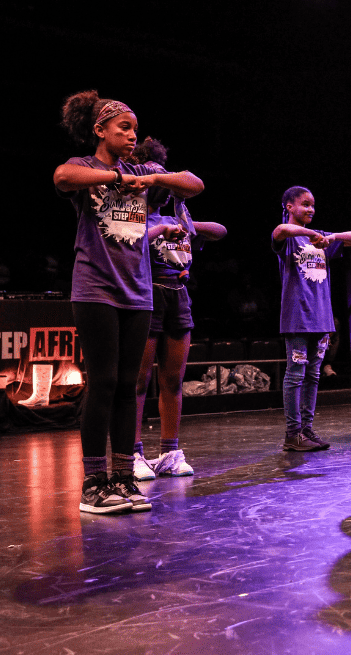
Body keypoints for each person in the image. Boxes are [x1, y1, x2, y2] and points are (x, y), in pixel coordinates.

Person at [54, 90, 204, 513]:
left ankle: (122, 478)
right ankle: (93, 483)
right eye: (124, 127)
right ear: (100, 130)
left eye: (135, 129)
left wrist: (153, 180)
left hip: (138, 293)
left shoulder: (143, 171)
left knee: (125, 385)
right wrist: (117, 179)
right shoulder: (86, 167)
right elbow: (62, 177)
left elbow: (194, 183)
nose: (132, 135)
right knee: (102, 383)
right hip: (96, 289)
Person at [129, 137, 227, 481]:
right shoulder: (133, 212)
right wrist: (159, 230)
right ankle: (133, 452)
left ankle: (170, 451)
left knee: (173, 379)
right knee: (138, 380)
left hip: (178, 295)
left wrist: (189, 227)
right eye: (154, 175)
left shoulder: (178, 215)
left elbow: (220, 230)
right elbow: (127, 243)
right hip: (147, 292)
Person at [273, 186, 351, 451]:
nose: (311, 209)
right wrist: (311, 234)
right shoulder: (290, 238)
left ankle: (307, 429)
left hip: (321, 318)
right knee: (296, 374)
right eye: (305, 204)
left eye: (313, 205)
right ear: (289, 206)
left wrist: (329, 236)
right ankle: (292, 433)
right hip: (297, 317)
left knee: (313, 375)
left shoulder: (321, 239)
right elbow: (280, 231)